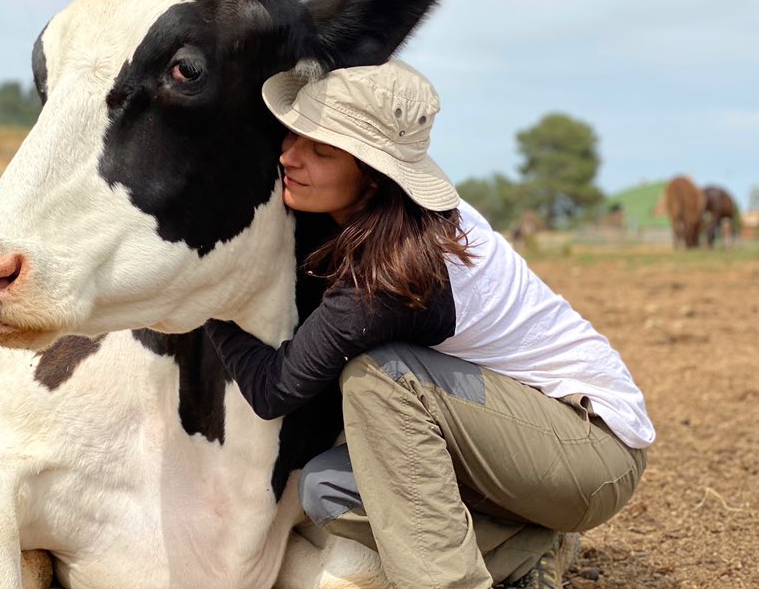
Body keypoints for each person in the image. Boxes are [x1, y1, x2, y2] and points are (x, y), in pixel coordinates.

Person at [206, 59, 654, 589]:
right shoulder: (398, 215)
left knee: (379, 377)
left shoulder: (391, 276)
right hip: (517, 447)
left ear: (373, 179)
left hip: (592, 450)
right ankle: (531, 546)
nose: (289, 156)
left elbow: (275, 388)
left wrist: (206, 300)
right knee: (327, 488)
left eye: (321, 150)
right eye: (295, 136)